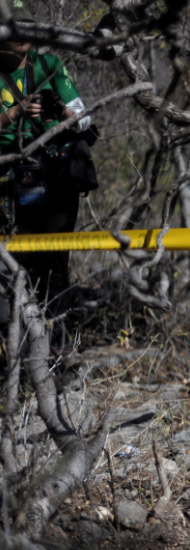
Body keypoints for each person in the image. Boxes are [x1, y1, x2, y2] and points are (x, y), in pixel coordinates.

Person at [0, 0, 93, 316]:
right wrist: (15, 113)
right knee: (16, 260)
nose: (21, 34)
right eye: (12, 28)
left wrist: (61, 111)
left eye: (26, 27)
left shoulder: (50, 65)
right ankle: (17, 334)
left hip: (56, 176)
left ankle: (57, 336)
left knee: (55, 261)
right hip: (10, 180)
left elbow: (84, 119)